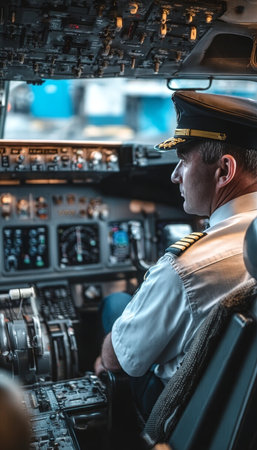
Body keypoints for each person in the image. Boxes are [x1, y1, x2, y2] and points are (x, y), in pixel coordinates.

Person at [95, 90, 257, 419]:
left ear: (224, 171)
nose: (174, 175)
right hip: (241, 412)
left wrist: (101, 363)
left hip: (185, 410)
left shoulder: (185, 268)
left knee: (115, 306)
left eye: (183, 160)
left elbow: (120, 361)